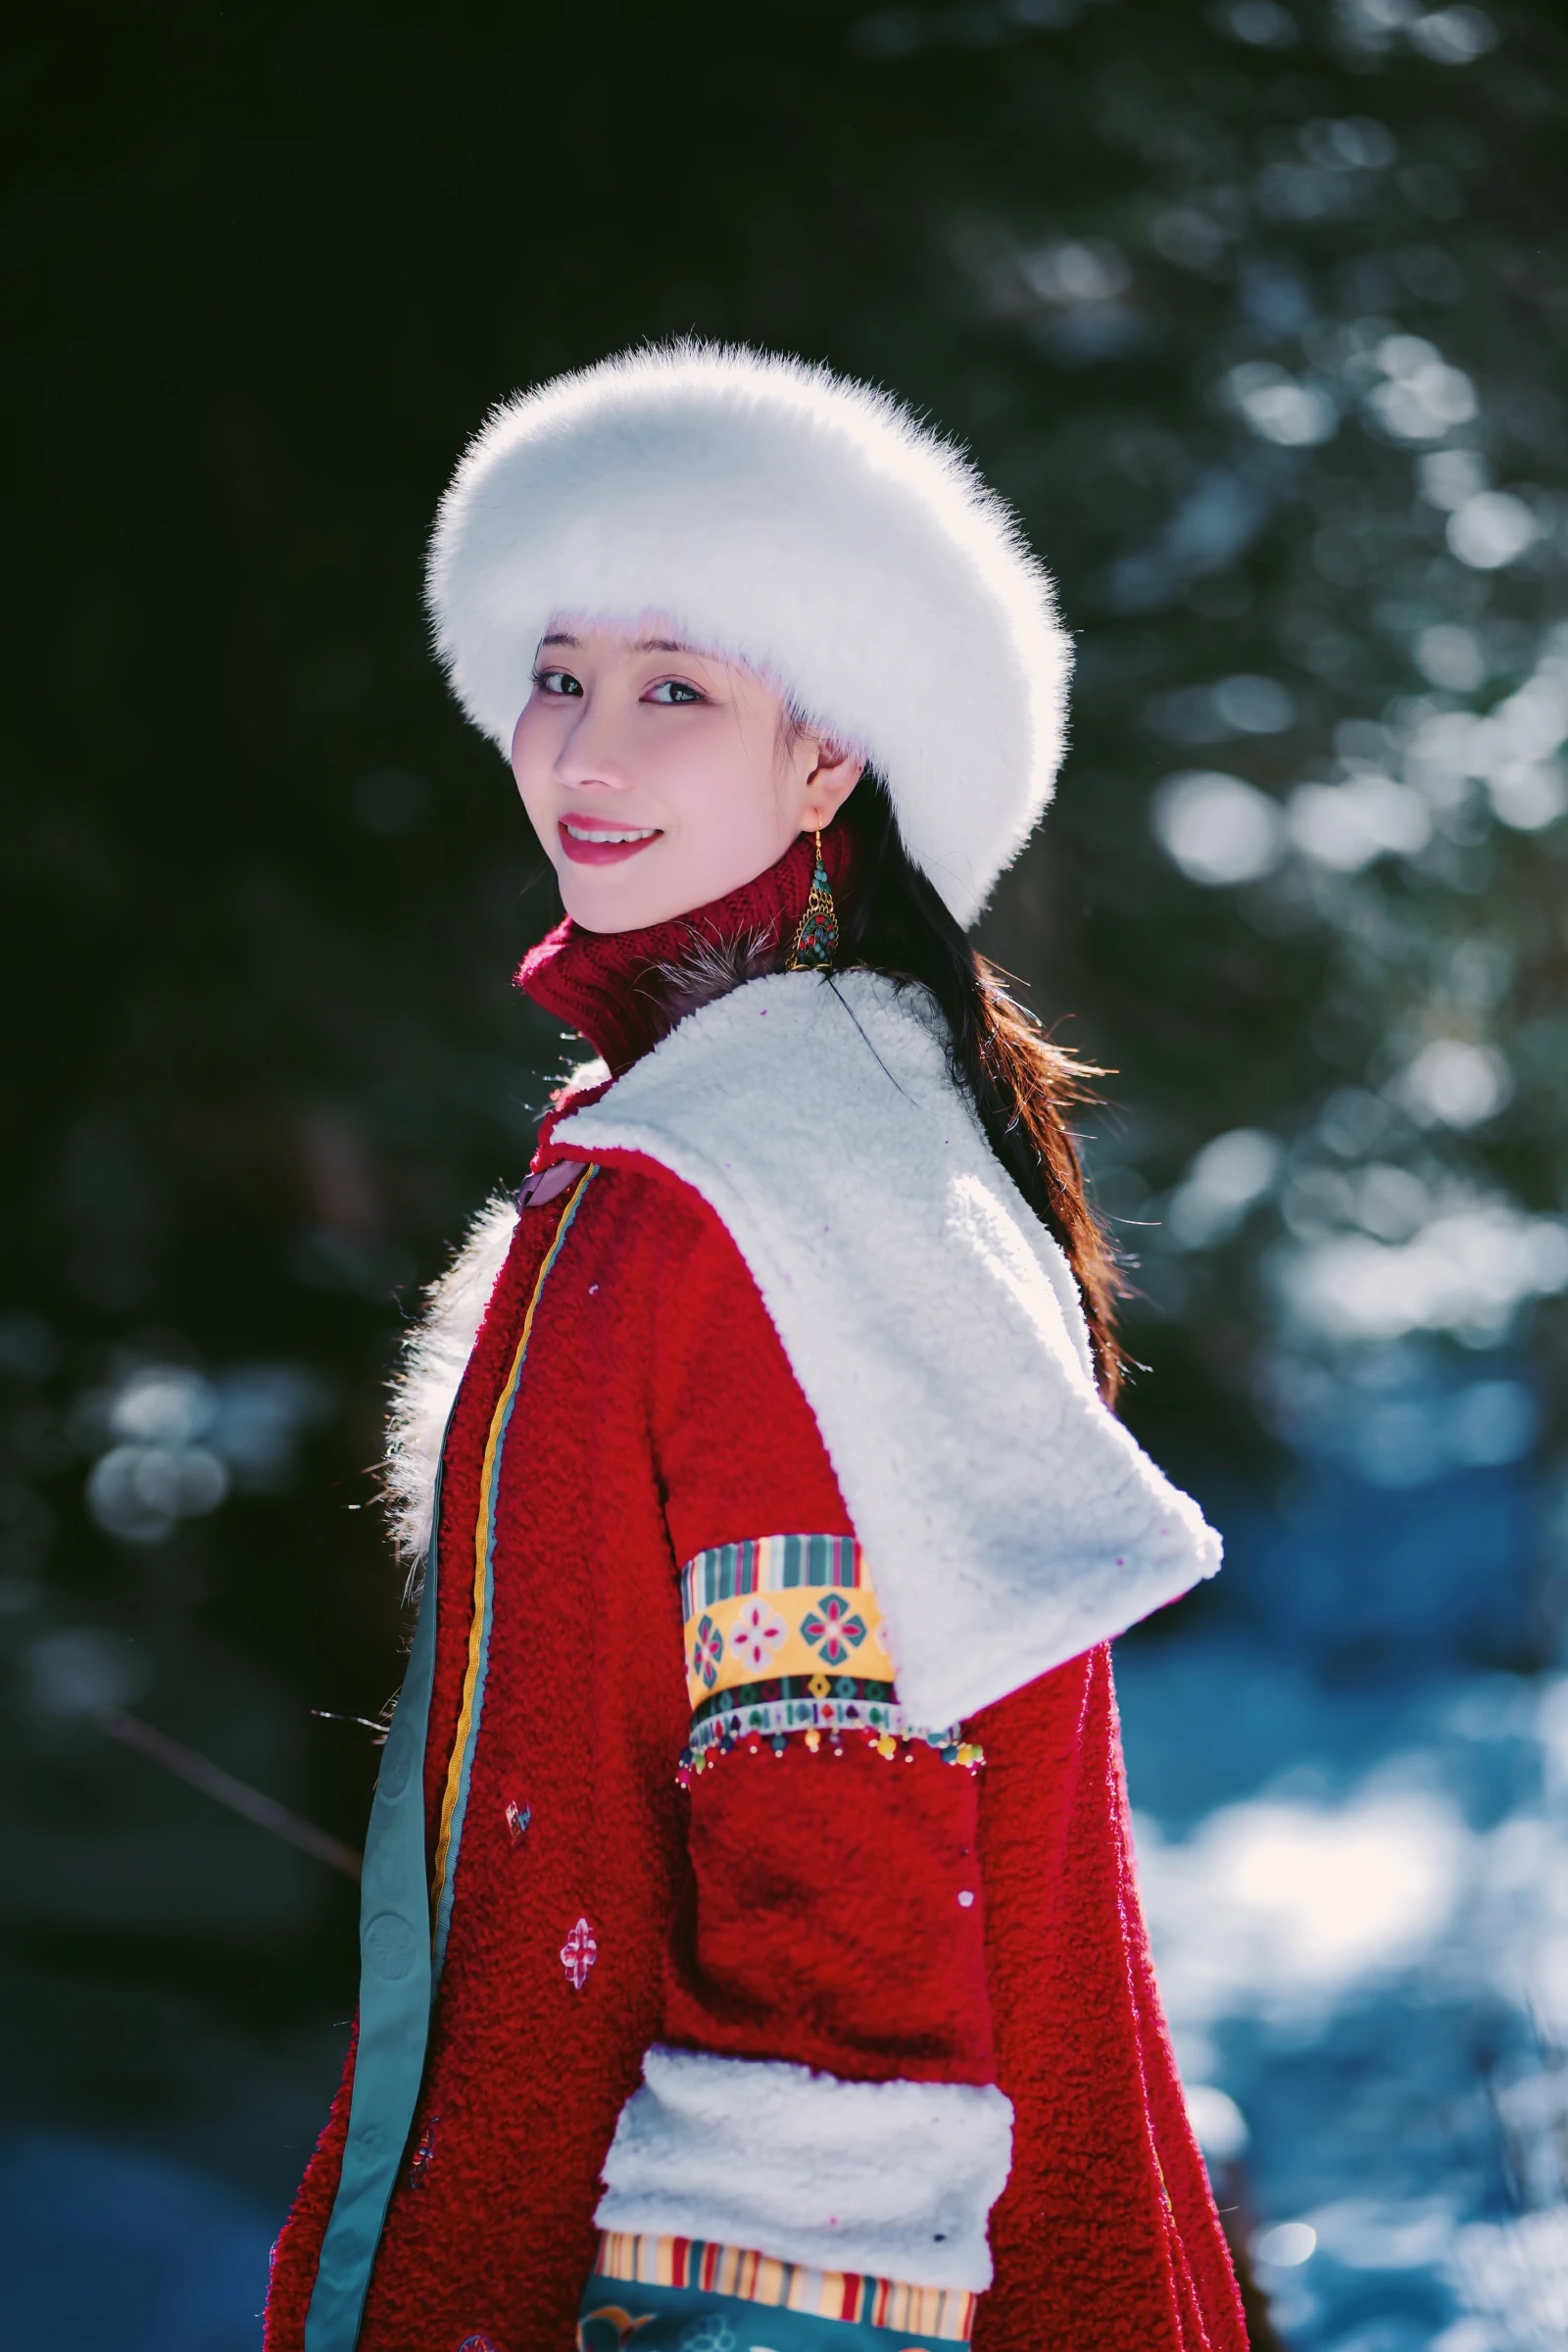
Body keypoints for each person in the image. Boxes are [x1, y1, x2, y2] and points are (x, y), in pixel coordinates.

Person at [264, 344, 1248, 2352]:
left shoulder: (779, 1185)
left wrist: (765, 2318)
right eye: (558, 675)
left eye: (676, 691)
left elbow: (844, 1813)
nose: (584, 748)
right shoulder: (743, 1137)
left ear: (828, 762)